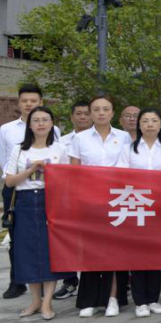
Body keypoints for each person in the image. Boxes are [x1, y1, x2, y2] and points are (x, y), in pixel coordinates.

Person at [2, 106, 74, 321]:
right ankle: (34, 300)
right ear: (30, 125)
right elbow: (9, 181)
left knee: (49, 251)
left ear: (52, 124)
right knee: (27, 251)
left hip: (51, 202)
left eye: (45, 119)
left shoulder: (60, 149)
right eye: (36, 120)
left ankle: (47, 302)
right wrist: (31, 170)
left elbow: (67, 180)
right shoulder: (19, 150)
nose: (41, 124)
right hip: (25, 202)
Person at [0, 83, 60, 300]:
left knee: (47, 238)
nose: (29, 104)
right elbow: (3, 160)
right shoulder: (7, 129)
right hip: (17, 190)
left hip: (47, 192)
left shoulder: (54, 132)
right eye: (24, 101)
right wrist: (22, 175)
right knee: (18, 237)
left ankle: (47, 283)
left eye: (33, 100)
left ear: (41, 102)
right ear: (19, 103)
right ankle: (17, 281)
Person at [67, 96, 130, 318]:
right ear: (90, 113)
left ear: (112, 112)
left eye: (105, 109)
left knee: (114, 250)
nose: (101, 113)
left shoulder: (123, 137)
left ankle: (113, 297)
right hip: (89, 201)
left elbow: (129, 169)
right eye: (96, 109)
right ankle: (89, 299)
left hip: (116, 200)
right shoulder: (79, 139)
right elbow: (74, 173)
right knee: (90, 250)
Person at [114, 108, 161, 317]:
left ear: (160, 124)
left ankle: (153, 299)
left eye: (154, 120)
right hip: (136, 204)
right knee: (137, 253)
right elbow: (120, 176)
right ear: (139, 125)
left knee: (155, 253)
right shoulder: (128, 149)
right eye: (145, 121)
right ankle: (140, 301)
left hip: (160, 206)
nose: (149, 124)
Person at [54, 100, 90, 301]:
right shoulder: (62, 142)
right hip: (67, 197)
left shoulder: (104, 139)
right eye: (79, 113)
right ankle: (70, 281)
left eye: (86, 113)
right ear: (72, 117)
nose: (83, 117)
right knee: (68, 240)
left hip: (93, 197)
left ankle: (93, 280)